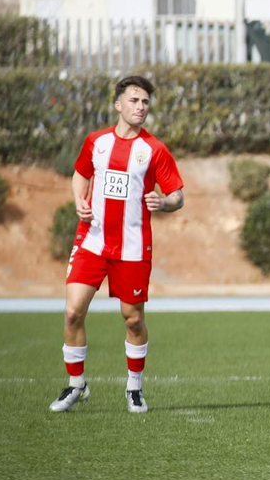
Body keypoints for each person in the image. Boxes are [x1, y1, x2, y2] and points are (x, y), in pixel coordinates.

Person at [52, 75, 185, 414]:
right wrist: (78, 200)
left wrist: (164, 203)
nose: (141, 107)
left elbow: (177, 196)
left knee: (132, 320)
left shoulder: (154, 150)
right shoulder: (96, 142)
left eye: (145, 103)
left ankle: (134, 388)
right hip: (92, 241)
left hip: (132, 248)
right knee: (72, 312)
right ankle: (76, 385)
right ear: (118, 105)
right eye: (135, 101)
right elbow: (81, 174)